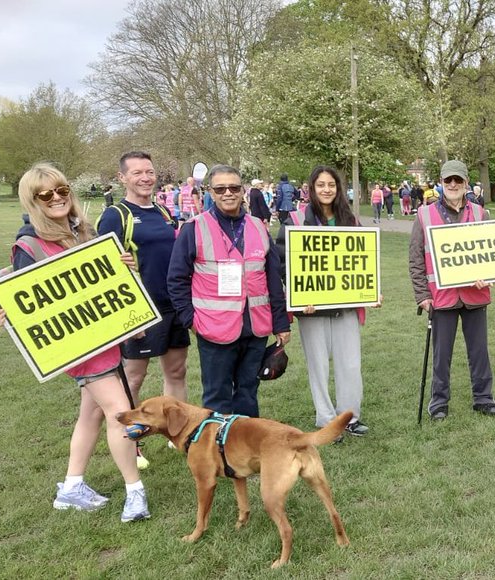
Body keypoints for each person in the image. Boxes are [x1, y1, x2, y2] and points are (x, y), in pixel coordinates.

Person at [0, 163, 149, 522]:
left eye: (61, 191)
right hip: (78, 348)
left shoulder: (82, 232)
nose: (56, 199)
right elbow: (23, 291)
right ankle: (135, 493)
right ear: (33, 200)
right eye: (46, 194)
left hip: (105, 338)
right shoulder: (29, 243)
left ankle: (72, 487)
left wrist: (123, 265)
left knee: (90, 414)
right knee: (120, 413)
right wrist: (6, 308)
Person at [167, 165, 291, 418]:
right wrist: (190, 320)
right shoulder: (194, 227)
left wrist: (281, 323)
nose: (228, 193)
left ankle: (245, 451)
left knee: (248, 393)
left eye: (234, 187)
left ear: (243, 191)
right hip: (214, 328)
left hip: (256, 327)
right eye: (220, 188)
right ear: (210, 191)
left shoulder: (258, 227)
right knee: (217, 396)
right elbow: (176, 279)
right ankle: (216, 452)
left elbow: (273, 280)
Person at [96, 152, 189, 471]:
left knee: (176, 371)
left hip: (173, 303)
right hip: (140, 310)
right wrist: (119, 264)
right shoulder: (115, 215)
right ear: (122, 177)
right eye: (137, 173)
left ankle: (177, 432)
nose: (146, 177)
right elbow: (98, 264)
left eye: (149, 171)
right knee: (133, 377)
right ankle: (130, 440)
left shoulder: (164, 211)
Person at [276, 166, 372, 437]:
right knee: (317, 365)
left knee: (350, 364)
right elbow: (282, 263)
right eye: (321, 185)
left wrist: (369, 290)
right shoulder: (295, 220)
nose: (327, 189)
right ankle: (327, 419)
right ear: (311, 188)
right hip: (311, 308)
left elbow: (361, 261)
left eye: (331, 185)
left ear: (338, 189)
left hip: (345, 305)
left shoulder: (350, 221)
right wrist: (298, 294)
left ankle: (349, 417)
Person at [409, 160, 495, 420]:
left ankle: (484, 399)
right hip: (441, 297)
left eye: (457, 180)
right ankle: (439, 403)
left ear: (466, 183)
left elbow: (491, 255)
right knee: (441, 354)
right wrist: (421, 295)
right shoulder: (424, 214)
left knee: (479, 351)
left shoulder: (480, 213)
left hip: (474, 295)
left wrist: (489, 274)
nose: (452, 185)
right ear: (441, 182)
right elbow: (415, 257)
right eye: (448, 180)